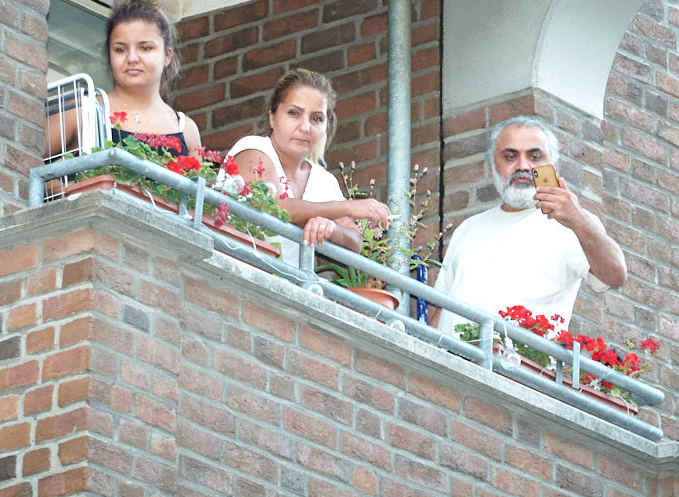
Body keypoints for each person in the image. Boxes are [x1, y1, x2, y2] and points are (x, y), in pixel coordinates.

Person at [431, 116, 626, 337]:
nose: (523, 166)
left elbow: (615, 275)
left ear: (551, 166)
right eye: (510, 156)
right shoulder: (468, 228)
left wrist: (578, 220)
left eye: (535, 157)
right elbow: (442, 309)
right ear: (493, 164)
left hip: (518, 366)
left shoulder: (572, 224)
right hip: (452, 363)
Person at [226, 68, 391, 252]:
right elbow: (274, 207)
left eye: (316, 118)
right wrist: (347, 207)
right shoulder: (253, 148)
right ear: (272, 117)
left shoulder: (323, 180)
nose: (305, 127)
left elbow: (355, 241)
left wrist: (331, 228)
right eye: (294, 113)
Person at [47, 0, 201, 159]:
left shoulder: (185, 129)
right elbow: (27, 163)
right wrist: (59, 186)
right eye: (120, 49)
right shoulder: (85, 110)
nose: (132, 58)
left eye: (145, 48)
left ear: (167, 56)